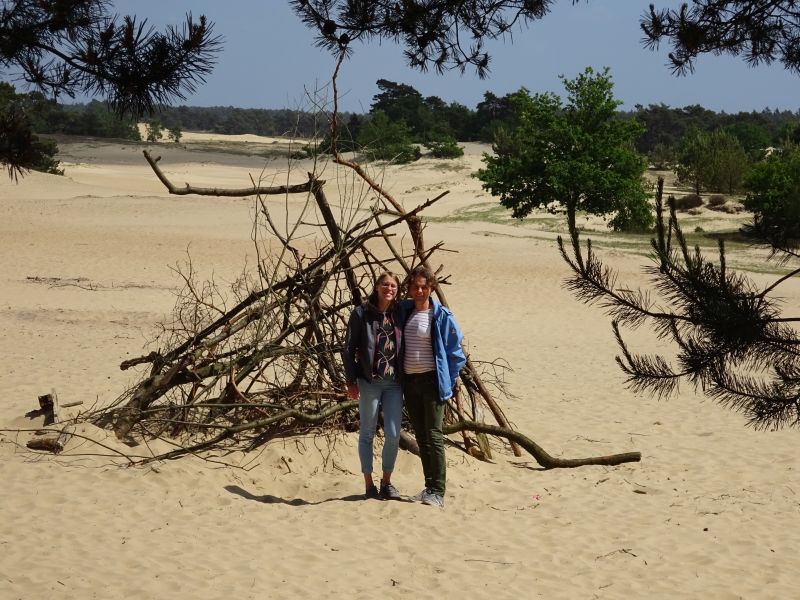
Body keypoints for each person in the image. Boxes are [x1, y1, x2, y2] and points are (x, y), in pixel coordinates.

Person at [400, 265, 466, 508]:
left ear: (431, 288)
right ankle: (429, 487)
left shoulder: (441, 316)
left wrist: (447, 379)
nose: (419, 290)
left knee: (434, 436)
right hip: (410, 382)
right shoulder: (404, 312)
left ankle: (438, 491)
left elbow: (456, 353)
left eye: (424, 287)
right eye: (415, 286)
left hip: (431, 382)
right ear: (409, 288)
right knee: (422, 436)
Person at [342, 272, 404, 501]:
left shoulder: (400, 312)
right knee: (367, 432)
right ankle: (369, 485)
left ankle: (386, 482)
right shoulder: (361, 313)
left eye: (393, 285)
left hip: (394, 384)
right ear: (377, 287)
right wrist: (350, 381)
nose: (389, 288)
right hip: (369, 383)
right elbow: (348, 349)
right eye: (385, 284)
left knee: (394, 434)